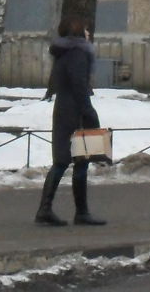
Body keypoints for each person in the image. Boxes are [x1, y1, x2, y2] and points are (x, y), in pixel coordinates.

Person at [36, 16, 107, 227]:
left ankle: (48, 209)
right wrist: (90, 113)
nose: (88, 34)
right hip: (75, 113)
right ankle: (77, 212)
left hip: (63, 110)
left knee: (66, 160)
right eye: (85, 29)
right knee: (77, 161)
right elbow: (79, 86)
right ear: (77, 32)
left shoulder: (63, 53)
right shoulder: (78, 53)